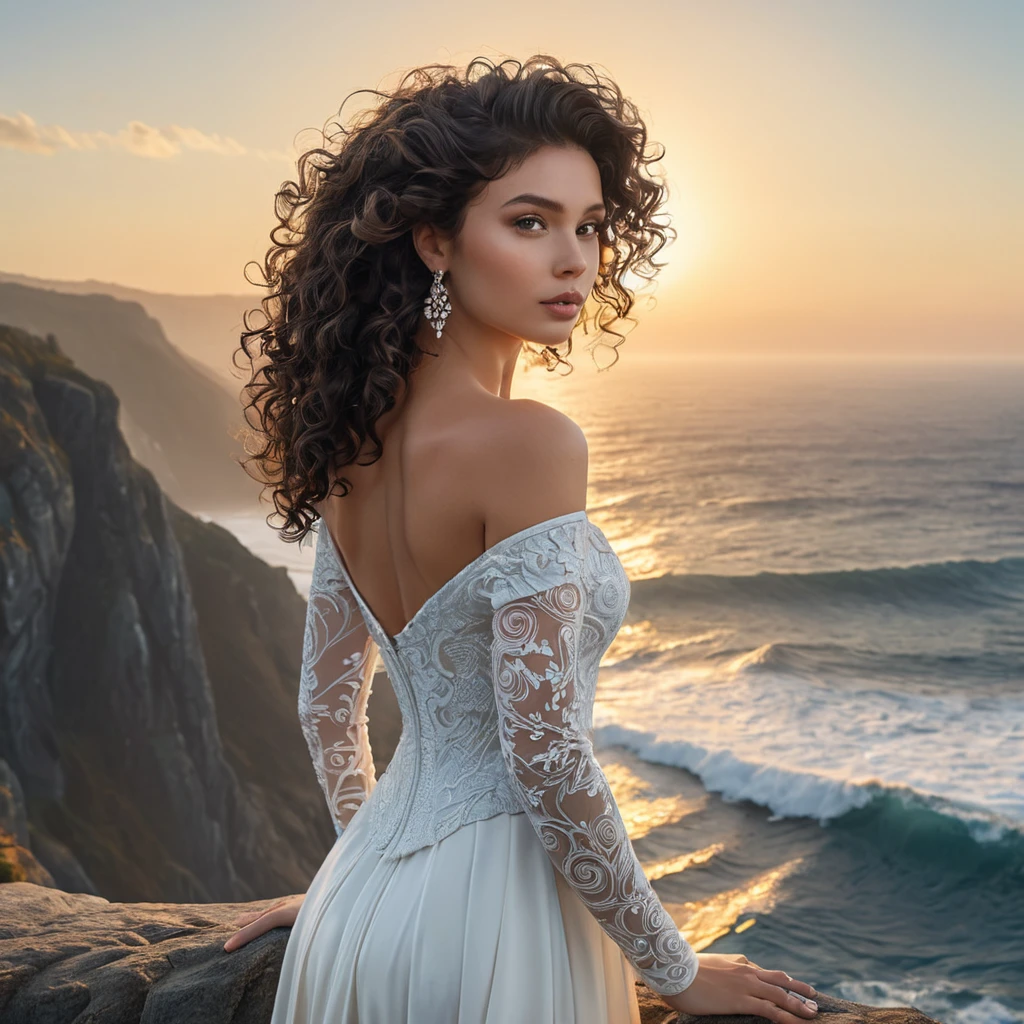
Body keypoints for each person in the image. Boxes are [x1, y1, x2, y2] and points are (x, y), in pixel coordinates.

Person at [225, 54, 820, 1024]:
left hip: (354, 914)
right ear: (432, 241)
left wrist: (371, 875)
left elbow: (328, 708)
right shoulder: (533, 442)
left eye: (588, 227)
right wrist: (674, 970)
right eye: (529, 221)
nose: (573, 257)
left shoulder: (350, 449)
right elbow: (542, 751)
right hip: (494, 922)